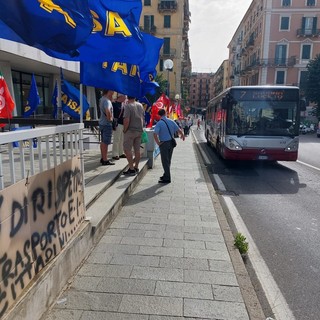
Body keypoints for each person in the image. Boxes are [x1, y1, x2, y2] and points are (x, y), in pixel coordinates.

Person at [153, 108, 185, 184]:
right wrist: (182, 135)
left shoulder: (159, 123)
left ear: (159, 115)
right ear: (165, 113)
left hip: (164, 143)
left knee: (165, 161)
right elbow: (179, 130)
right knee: (168, 160)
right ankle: (165, 174)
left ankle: (167, 178)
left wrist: (158, 143)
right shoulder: (171, 121)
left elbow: (155, 134)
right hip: (171, 142)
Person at [122, 96, 145, 176]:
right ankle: (136, 167)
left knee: (127, 149)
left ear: (128, 97)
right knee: (137, 150)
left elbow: (126, 120)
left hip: (130, 130)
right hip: (139, 130)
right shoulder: (140, 105)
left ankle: (131, 168)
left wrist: (124, 130)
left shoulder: (128, 106)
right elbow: (143, 117)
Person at [99, 89, 115, 165]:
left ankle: (103, 157)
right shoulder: (107, 101)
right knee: (106, 142)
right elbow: (107, 110)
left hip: (102, 123)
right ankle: (105, 159)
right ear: (109, 91)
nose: (113, 92)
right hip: (106, 124)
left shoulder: (102, 99)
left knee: (102, 141)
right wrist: (110, 119)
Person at [111, 93, 127, 160]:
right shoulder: (114, 104)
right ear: (120, 97)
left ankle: (121, 152)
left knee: (122, 139)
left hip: (123, 123)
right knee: (116, 139)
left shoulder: (124, 105)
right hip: (117, 124)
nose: (125, 98)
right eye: (124, 97)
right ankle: (115, 154)